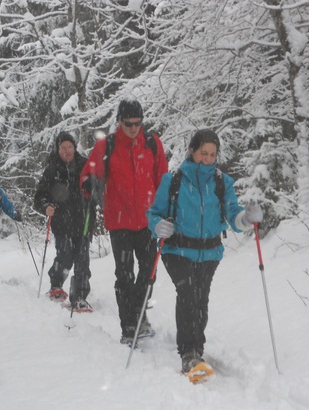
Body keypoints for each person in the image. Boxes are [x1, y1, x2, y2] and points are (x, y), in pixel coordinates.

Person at [146, 129, 263, 375]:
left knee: (200, 299)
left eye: (212, 154)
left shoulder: (222, 182)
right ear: (192, 151)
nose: (208, 159)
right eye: (203, 153)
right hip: (177, 250)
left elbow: (233, 217)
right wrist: (158, 226)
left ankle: (197, 349)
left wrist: (247, 218)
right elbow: (153, 213)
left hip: (209, 253)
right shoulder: (173, 180)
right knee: (188, 294)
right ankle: (188, 353)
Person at [80, 98, 168, 344]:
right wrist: (88, 185)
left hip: (148, 221)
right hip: (119, 224)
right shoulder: (107, 146)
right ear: (119, 121)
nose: (133, 128)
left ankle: (139, 313)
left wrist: (167, 206)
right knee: (124, 276)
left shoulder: (152, 144)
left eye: (137, 123)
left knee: (149, 272)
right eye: (128, 123)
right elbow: (89, 173)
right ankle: (129, 326)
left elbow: (162, 179)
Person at [34, 132, 95, 311]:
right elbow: (39, 197)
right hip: (62, 223)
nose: (67, 151)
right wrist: (46, 206)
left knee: (82, 259)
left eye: (69, 147)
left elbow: (98, 188)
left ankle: (80, 296)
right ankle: (56, 284)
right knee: (66, 255)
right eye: (63, 148)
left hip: (83, 221)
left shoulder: (85, 165)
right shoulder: (52, 170)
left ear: (74, 147)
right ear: (58, 149)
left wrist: (92, 191)